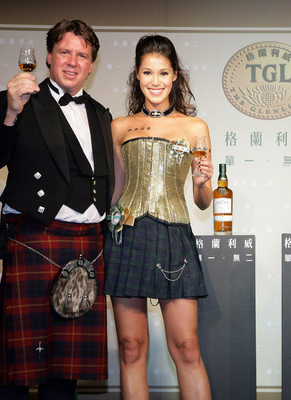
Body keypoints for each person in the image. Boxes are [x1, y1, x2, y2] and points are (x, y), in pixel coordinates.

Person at [0, 19, 113, 400]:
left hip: (86, 246)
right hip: (36, 241)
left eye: (82, 55)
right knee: (17, 371)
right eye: (64, 52)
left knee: (64, 375)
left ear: (92, 65)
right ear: (48, 57)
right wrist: (10, 112)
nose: (73, 61)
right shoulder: (20, 102)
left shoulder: (101, 114)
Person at [104, 35, 212, 400]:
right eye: (148, 72)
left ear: (175, 75)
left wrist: (201, 183)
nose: (155, 81)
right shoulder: (119, 127)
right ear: (137, 75)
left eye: (163, 73)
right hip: (127, 237)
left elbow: (202, 202)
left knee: (187, 348)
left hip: (173, 236)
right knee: (131, 347)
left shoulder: (195, 128)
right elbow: (117, 191)